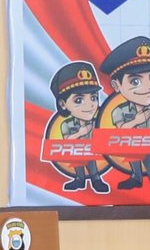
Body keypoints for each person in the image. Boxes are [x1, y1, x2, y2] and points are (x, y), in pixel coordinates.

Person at [98, 36, 150, 192]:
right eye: (135, 82)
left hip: (149, 144)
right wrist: (136, 121)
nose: (149, 87)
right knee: (132, 153)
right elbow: (120, 132)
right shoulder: (119, 110)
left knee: (149, 156)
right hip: (130, 145)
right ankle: (136, 177)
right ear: (116, 86)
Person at [43, 61, 111, 194]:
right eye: (79, 100)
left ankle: (96, 179)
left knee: (91, 160)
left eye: (93, 98)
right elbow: (66, 141)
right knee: (77, 160)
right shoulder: (67, 124)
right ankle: (79, 179)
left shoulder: (99, 120)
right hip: (76, 152)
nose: (90, 105)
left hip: (93, 153)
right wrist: (80, 133)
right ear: (63, 104)